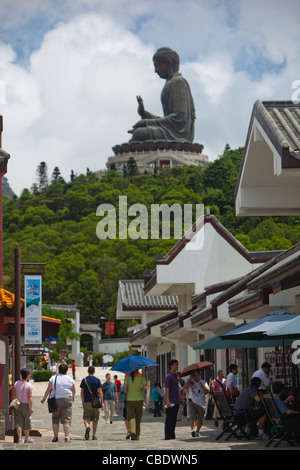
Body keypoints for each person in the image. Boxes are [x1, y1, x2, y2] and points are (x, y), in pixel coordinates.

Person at [128, 47, 195, 143]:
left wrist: (147, 122)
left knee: (138, 134)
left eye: (158, 66)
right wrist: (145, 114)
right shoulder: (170, 83)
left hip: (178, 134)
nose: (156, 70)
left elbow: (179, 119)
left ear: (168, 63)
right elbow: (168, 119)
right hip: (170, 129)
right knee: (136, 136)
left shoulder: (178, 82)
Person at [41, 362, 75, 442]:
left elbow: (48, 389)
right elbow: (73, 390)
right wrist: (72, 398)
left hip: (56, 399)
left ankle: (55, 436)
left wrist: (44, 399)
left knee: (55, 418)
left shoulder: (53, 378)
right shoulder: (70, 379)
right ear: (66, 370)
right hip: (67, 399)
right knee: (66, 419)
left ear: (58, 370)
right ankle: (67, 437)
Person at [80, 366, 104, 440]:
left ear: (88, 371)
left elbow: (82, 392)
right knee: (95, 419)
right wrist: (101, 402)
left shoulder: (84, 380)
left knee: (86, 417)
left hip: (87, 401)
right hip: (96, 402)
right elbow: (100, 392)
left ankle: (87, 426)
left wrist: (82, 400)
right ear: (94, 371)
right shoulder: (97, 380)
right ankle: (93, 435)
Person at [184, 370, 210, 437]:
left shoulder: (203, 382)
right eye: (194, 374)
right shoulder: (190, 381)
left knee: (200, 418)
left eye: (197, 374)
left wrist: (202, 386)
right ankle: (193, 430)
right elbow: (185, 387)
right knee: (192, 417)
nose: (196, 375)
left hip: (201, 403)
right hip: (191, 401)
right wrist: (190, 379)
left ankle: (197, 430)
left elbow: (208, 391)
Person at [12, 368, 34, 444]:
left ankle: (19, 439)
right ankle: (27, 438)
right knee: (26, 421)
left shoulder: (16, 383)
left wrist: (14, 403)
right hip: (25, 405)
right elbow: (30, 397)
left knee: (18, 422)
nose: (30, 375)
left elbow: (14, 395)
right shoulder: (29, 385)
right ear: (27, 375)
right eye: (29, 374)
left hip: (17, 404)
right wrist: (31, 407)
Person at [123, 369, 147, 440]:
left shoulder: (127, 376)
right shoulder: (141, 376)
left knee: (131, 417)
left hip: (129, 400)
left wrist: (127, 388)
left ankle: (132, 431)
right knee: (138, 418)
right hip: (139, 400)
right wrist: (141, 389)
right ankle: (137, 435)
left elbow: (124, 388)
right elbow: (145, 388)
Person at [164, 359, 181, 440]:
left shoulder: (175, 376)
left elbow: (176, 389)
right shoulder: (169, 376)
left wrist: (180, 399)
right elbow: (167, 389)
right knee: (169, 419)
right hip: (171, 401)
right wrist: (167, 400)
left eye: (177, 365)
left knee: (174, 419)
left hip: (176, 400)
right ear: (171, 366)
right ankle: (168, 435)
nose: (177, 366)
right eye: (175, 365)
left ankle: (172, 434)